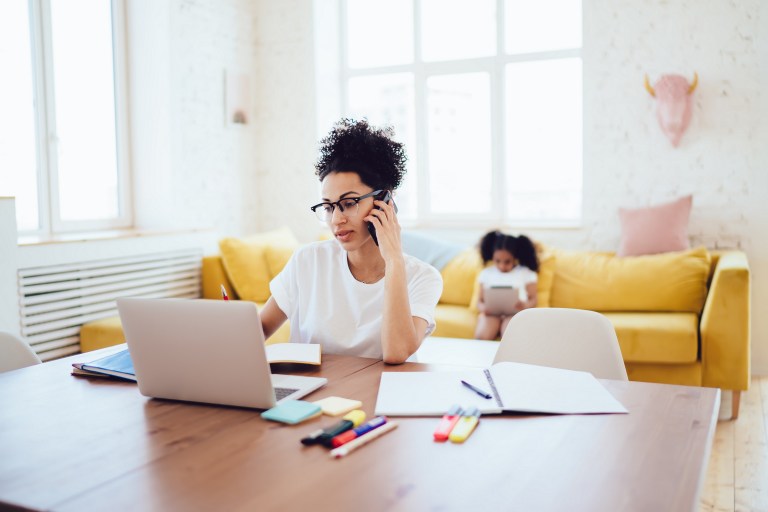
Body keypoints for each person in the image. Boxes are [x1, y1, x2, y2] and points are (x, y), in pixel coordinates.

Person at [259, 119, 443, 364]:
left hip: (378, 397)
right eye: (328, 207)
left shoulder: (423, 277)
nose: (336, 220)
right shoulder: (307, 261)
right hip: (310, 398)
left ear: (385, 201)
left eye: (348, 204)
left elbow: (396, 352)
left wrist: (394, 262)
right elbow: (259, 330)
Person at [473, 230, 539, 340]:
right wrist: (483, 308)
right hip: (491, 314)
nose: (502, 266)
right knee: (482, 336)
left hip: (515, 313)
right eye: (497, 261)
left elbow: (533, 299)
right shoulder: (486, 274)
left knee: (509, 337)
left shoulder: (526, 273)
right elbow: (479, 301)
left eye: (507, 261)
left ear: (515, 258)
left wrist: (526, 305)